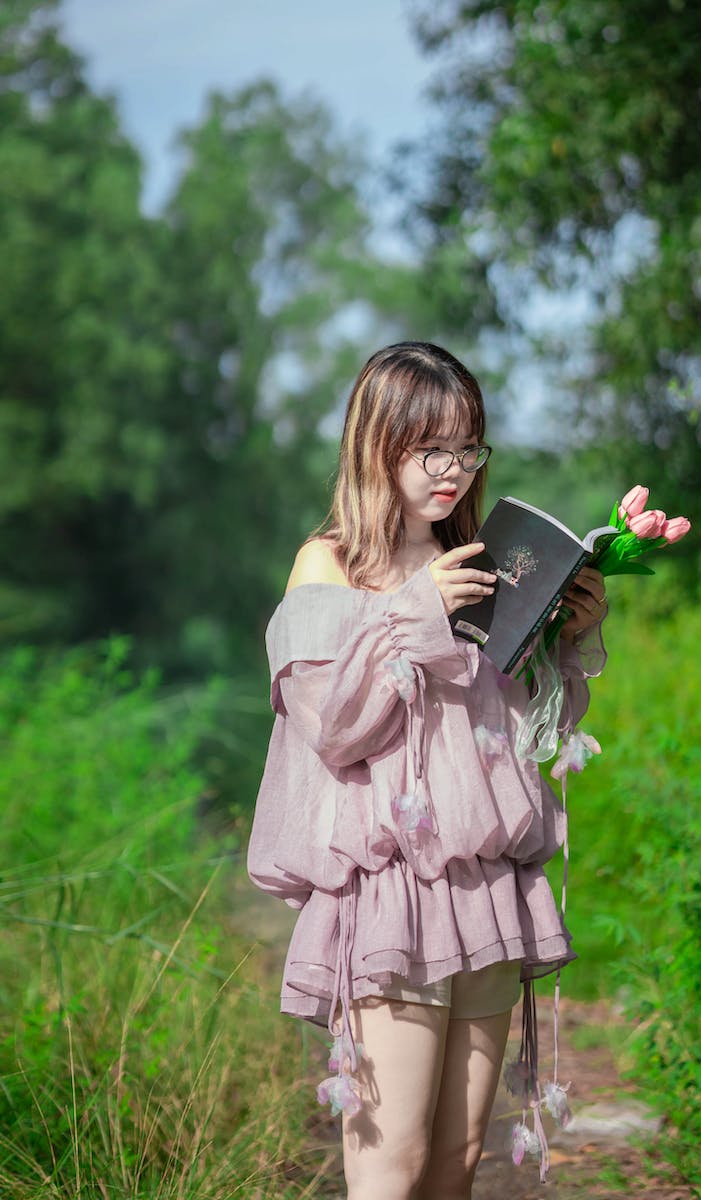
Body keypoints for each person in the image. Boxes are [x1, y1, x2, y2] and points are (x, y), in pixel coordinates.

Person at [247, 341, 608, 1200]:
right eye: (428, 448)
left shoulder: (485, 567)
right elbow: (332, 726)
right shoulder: (328, 563)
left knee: (453, 1167)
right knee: (390, 1169)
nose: (451, 470)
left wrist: (566, 636)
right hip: (390, 896)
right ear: (378, 444)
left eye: (466, 447)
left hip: (484, 890)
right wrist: (415, 609)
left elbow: (524, 739)